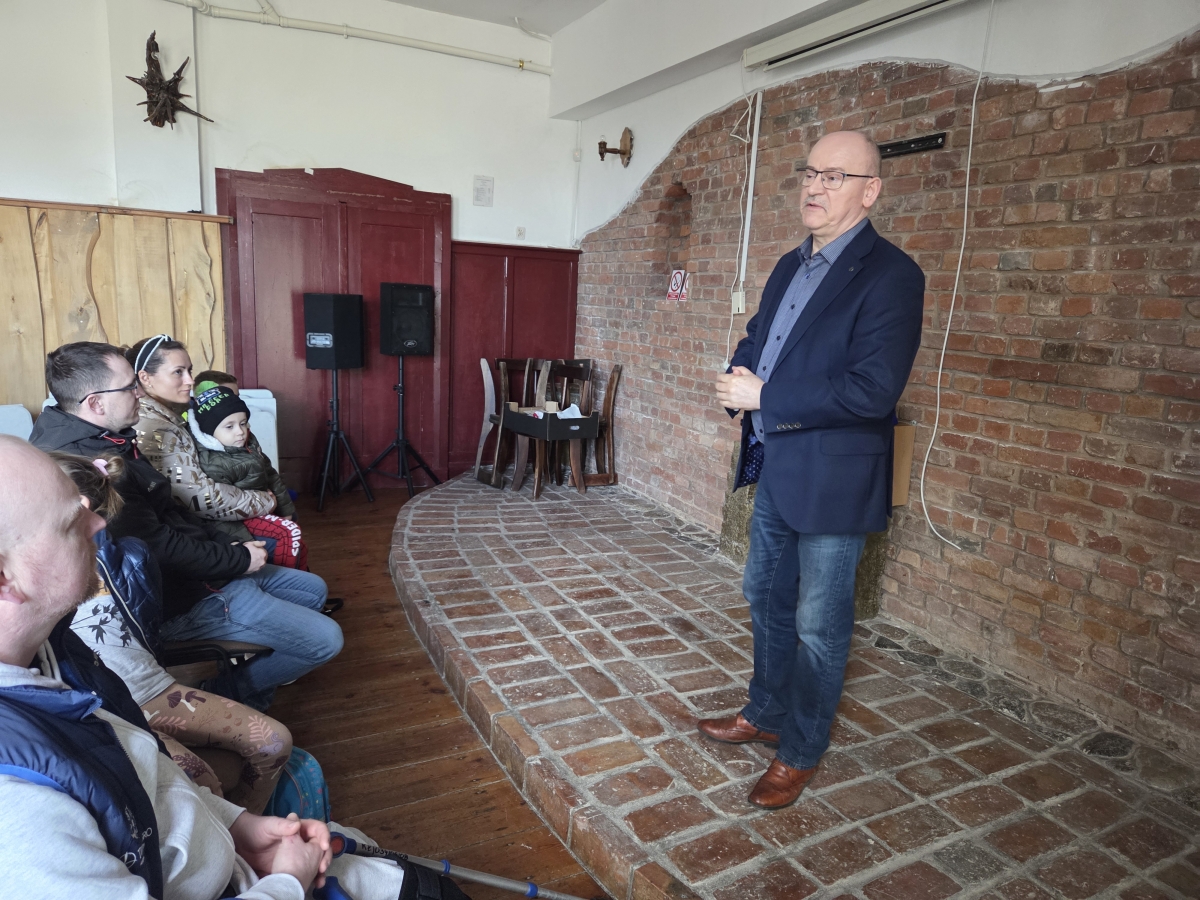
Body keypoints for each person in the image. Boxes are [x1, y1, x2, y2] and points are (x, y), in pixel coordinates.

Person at [0, 435, 405, 899]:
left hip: (234, 857)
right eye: (71, 521)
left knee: (382, 863)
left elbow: (140, 770)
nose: (99, 524)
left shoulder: (53, 650)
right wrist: (288, 881)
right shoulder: (17, 806)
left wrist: (235, 826)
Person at [703, 130, 926, 809]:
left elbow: (872, 391)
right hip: (777, 464)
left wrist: (766, 397)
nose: (815, 186)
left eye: (835, 176)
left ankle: (799, 750)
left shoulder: (892, 276)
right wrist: (738, 373)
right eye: (810, 173)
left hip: (834, 480)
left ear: (870, 191)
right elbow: (760, 337)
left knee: (818, 625)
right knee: (764, 594)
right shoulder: (788, 264)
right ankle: (766, 711)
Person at [30, 341, 343, 711]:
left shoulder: (100, 433)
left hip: (195, 573)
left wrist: (227, 547)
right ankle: (229, 692)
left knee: (312, 589)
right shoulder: (88, 465)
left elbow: (172, 511)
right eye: (130, 387)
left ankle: (249, 674)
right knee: (327, 639)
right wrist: (238, 560)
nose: (139, 393)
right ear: (96, 403)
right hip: (180, 598)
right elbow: (158, 547)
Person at [54, 451, 293, 814]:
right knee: (201, 777)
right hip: (104, 707)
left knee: (274, 742)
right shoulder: (40, 584)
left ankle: (247, 829)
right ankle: (228, 833)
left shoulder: (126, 556)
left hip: (150, 687)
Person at [189, 384, 309, 571]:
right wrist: (242, 541)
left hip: (263, 506)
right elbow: (220, 512)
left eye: (243, 423)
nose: (240, 431)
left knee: (299, 542)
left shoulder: (248, 443)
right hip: (240, 518)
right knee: (290, 532)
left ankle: (303, 578)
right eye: (229, 426)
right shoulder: (214, 463)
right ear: (209, 431)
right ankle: (286, 576)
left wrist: (286, 509)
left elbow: (271, 474)